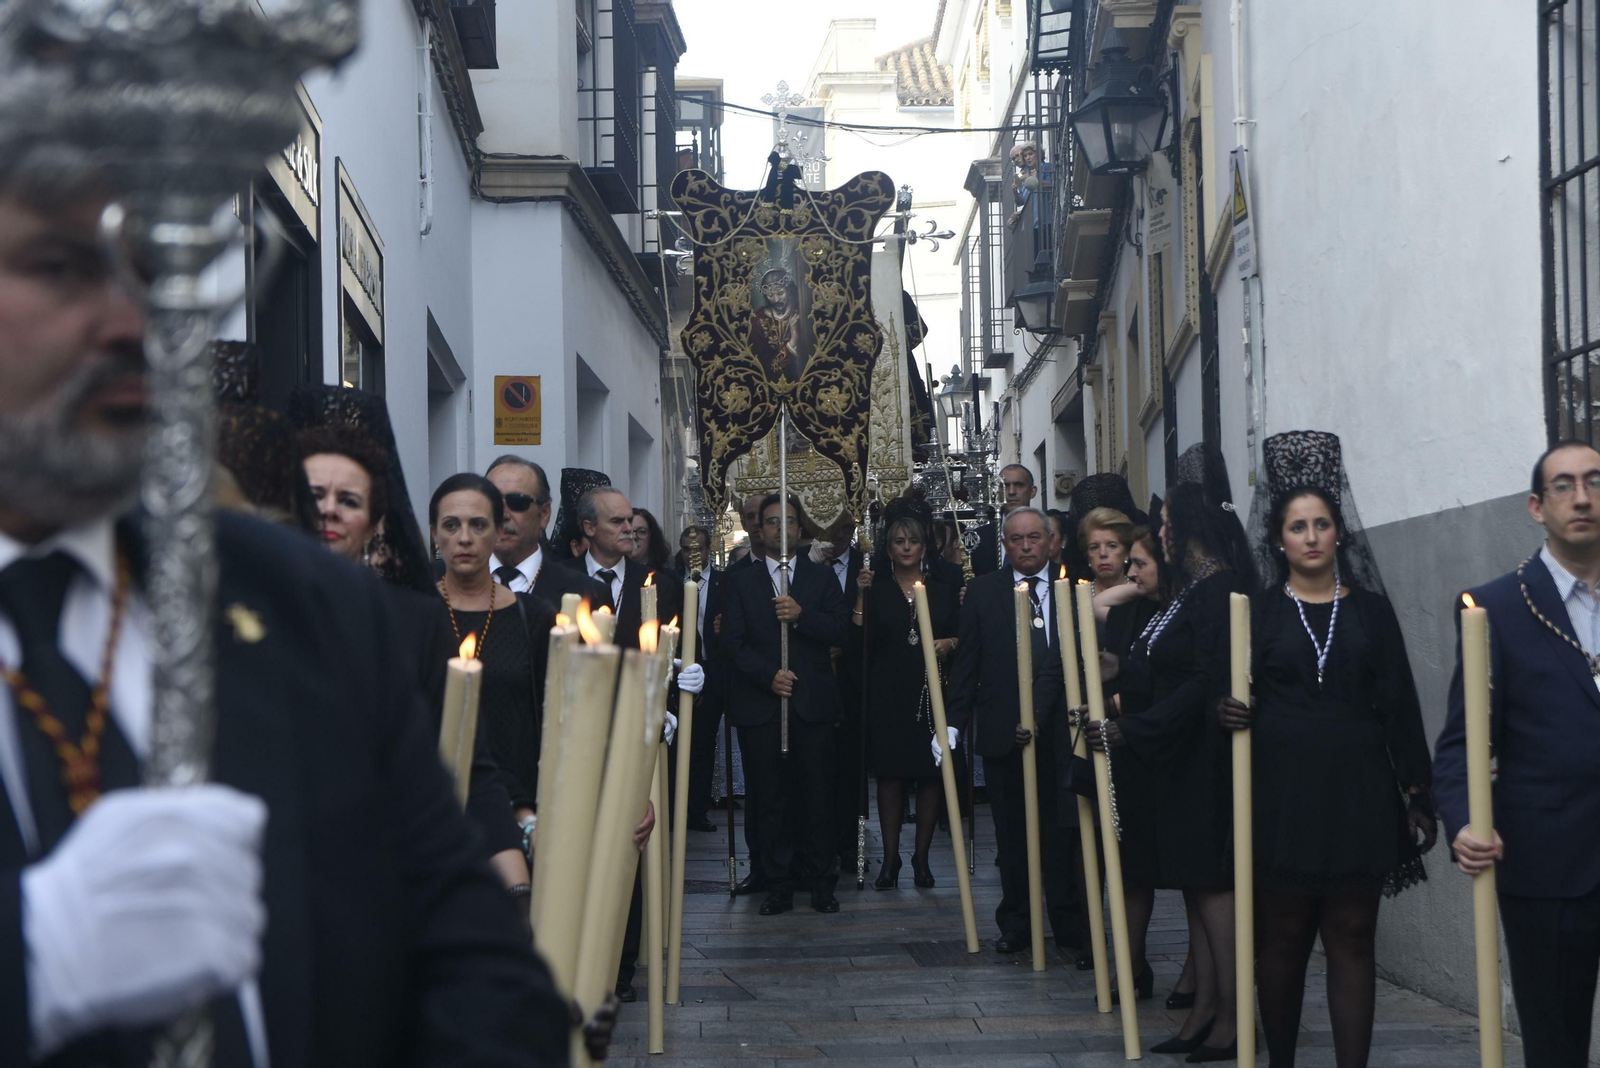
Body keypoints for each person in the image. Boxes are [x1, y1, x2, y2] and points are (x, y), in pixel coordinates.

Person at [0, 144, 568, 1061]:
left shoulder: (296, 600)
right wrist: (38, 964)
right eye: (62, 269)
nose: (124, 320)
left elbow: (475, 965)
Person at [1216, 431, 1435, 1068]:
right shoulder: (1254, 612)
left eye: (1321, 525)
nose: (1310, 537)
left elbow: (1399, 702)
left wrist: (1417, 790)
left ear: (1339, 533)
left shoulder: (1369, 612)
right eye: (1297, 527)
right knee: (1282, 936)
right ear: (1278, 539)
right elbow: (1227, 691)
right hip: (1281, 795)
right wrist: (1226, 708)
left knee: (1353, 934)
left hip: (1358, 793)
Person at [295, 424, 532, 891]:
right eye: (315, 494)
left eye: (349, 501)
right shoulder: (247, 607)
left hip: (377, 859)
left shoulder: (413, 622)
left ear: (374, 522)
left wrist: (511, 865)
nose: (328, 509)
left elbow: (466, 756)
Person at [1086, 450, 1257, 1061]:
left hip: (1201, 759)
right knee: (1193, 889)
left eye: (1165, 530)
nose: (1157, 536)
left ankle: (1237, 1019)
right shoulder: (1186, 597)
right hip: (1178, 761)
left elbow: (1204, 681)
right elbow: (1160, 663)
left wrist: (1140, 727)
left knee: (1213, 889)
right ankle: (1205, 1013)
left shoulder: (1216, 593)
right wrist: (1113, 669)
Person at [1435, 439, 1600, 1068]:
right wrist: (1463, 824)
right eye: (1563, 485)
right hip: (1547, 859)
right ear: (1537, 505)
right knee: (1555, 1043)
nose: (1580, 497)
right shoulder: (1499, 607)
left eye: (1592, 481)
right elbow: (1461, 743)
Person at [947, 506, 1089, 958]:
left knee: (1064, 831)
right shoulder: (985, 592)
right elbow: (967, 663)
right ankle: (1016, 922)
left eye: (1033, 538)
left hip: (1064, 733)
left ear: (1051, 541)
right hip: (1005, 729)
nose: (1026, 546)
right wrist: (952, 723)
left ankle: (1069, 922)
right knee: (1011, 834)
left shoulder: (1074, 591)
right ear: (1004, 545)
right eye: (1016, 540)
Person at [723, 493, 850, 915]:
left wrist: (801, 616)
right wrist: (768, 676)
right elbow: (733, 643)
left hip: (811, 705)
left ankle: (820, 879)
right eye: (773, 521)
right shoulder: (740, 580)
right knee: (770, 797)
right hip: (762, 705)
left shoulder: (820, 578)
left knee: (816, 793)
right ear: (761, 527)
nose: (782, 529)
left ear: (801, 529)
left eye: (790, 522)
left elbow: (840, 629)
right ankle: (778, 882)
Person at [853, 513, 958, 888]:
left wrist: (951, 643)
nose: (907, 547)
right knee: (890, 776)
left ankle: (923, 858)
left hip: (931, 689)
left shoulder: (943, 587)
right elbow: (860, 637)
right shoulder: (877, 587)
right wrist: (861, 595)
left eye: (913, 541)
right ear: (889, 548)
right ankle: (891, 858)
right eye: (899, 541)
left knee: (930, 774)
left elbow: (962, 631)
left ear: (924, 547)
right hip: (888, 690)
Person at [1091, 524, 1168, 1005]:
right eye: (1129, 561)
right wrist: (1137, 579)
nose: (1128, 570)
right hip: (1130, 747)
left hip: (1169, 741)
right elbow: (1101, 610)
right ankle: (1131, 963)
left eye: (1139, 562)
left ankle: (1197, 976)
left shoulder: (1183, 611)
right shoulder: (1128, 609)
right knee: (1132, 864)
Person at [483, 454, 608, 611]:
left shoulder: (588, 594)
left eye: (517, 502)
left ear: (544, 514)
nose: (503, 514)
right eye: (493, 502)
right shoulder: (447, 586)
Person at [813, 520, 866, 876]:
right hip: (815, 674)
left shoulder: (867, 564)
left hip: (853, 677)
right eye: (830, 528)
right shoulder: (804, 562)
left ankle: (851, 844)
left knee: (852, 766)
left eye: (844, 528)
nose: (837, 536)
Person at [675, 525, 723, 833]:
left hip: (712, 667)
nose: (693, 555)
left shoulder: (723, 583)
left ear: (708, 550)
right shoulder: (668, 582)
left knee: (704, 743)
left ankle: (697, 809)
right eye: (686, 549)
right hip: (679, 668)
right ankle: (674, 805)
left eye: (698, 549)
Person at [972, 464, 1037, 576]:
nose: (1011, 492)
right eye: (1005, 486)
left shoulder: (1044, 531)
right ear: (997, 491)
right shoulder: (980, 538)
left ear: (1032, 491)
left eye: (1019, 485)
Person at [1079, 506, 1140, 623]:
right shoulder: (1075, 601)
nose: (1103, 554)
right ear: (1087, 556)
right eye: (1094, 547)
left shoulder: (1141, 597)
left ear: (1127, 553)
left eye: (1112, 546)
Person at [629, 508, 673, 572]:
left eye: (641, 532)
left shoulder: (668, 579)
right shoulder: (611, 575)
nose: (633, 536)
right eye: (628, 531)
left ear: (652, 537)